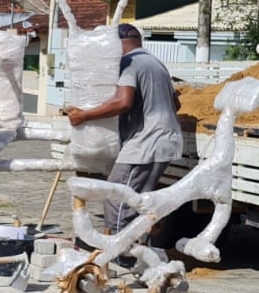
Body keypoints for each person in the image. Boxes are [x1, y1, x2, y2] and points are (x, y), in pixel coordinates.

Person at [64, 22, 184, 232]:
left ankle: (120, 253)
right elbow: (176, 104)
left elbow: (123, 101)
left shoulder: (129, 62)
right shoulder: (155, 62)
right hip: (166, 140)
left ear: (117, 44)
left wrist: (85, 115)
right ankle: (138, 250)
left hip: (146, 143)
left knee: (117, 196)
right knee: (140, 202)